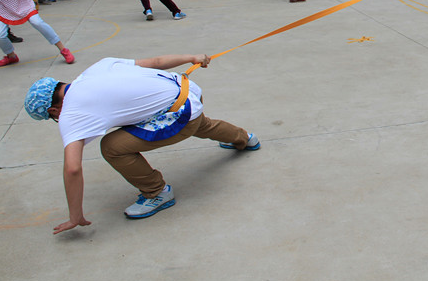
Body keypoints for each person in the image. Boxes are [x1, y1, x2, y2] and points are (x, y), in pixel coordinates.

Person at [23, 53, 261, 229]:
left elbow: (73, 168)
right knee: (202, 124)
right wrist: (192, 57)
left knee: (112, 147)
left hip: (177, 115)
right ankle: (245, 139)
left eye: (53, 117)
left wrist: (75, 216)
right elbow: (156, 62)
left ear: (53, 110)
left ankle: (157, 192)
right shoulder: (99, 66)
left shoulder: (71, 112)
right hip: (187, 92)